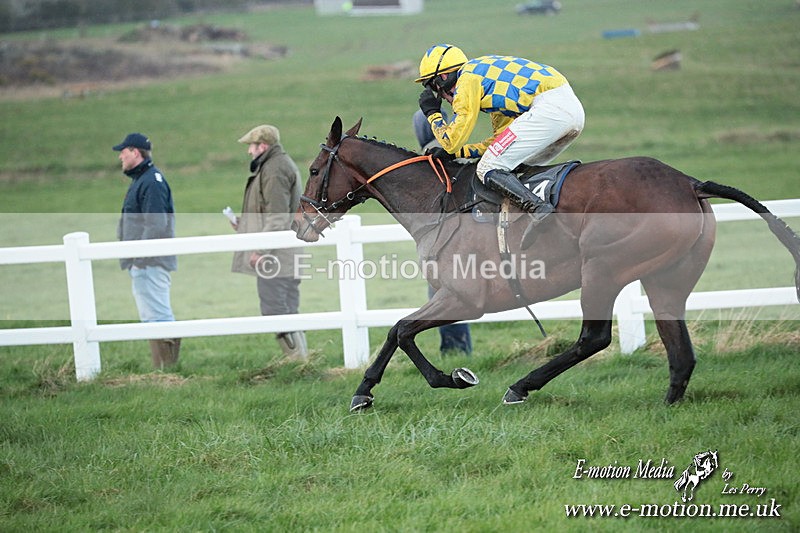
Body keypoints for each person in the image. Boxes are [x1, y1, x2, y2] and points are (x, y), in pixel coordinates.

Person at [415, 44, 585, 222]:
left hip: (550, 110)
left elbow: (451, 141)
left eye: (434, 88)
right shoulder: (487, 79)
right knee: (513, 165)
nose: (440, 97)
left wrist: (433, 114)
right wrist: (458, 153)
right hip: (570, 109)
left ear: (443, 77)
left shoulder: (466, 79)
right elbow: (498, 142)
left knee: (487, 168)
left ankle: (539, 210)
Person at [231, 124, 308, 358]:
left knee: (275, 310)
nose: (249, 151)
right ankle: (303, 359)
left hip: (276, 258)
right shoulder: (275, 165)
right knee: (287, 309)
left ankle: (297, 361)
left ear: (263, 146)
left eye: (251, 146)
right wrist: (243, 226)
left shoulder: (274, 170)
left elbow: (277, 217)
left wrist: (260, 250)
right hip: (283, 255)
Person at [113, 132, 180, 370]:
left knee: (159, 316)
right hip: (144, 262)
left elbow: (155, 224)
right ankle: (161, 371)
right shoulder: (143, 180)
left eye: (124, 150)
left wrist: (139, 259)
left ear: (136, 152)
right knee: (150, 317)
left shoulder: (151, 181)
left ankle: (168, 371)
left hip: (150, 262)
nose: (120, 155)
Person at [413, 109, 473, 356]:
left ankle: (454, 350)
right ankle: (458, 349)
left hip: (444, 240)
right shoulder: (456, 149)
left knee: (444, 296)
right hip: (466, 233)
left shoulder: (427, 160)